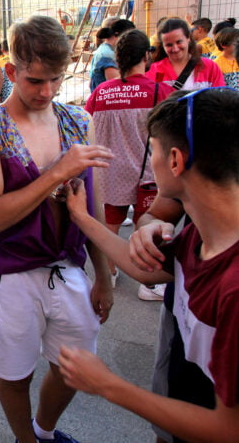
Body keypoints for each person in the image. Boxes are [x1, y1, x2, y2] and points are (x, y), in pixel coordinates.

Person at [58, 87, 239, 443]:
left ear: (175, 160)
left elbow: (228, 428)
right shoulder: (203, 234)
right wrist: (81, 218)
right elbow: (148, 268)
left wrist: (108, 385)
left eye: (151, 149)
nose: (149, 160)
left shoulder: (234, 287)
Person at [0, 15, 114, 443]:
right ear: (11, 72)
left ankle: (43, 431)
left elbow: (95, 207)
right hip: (10, 276)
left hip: (66, 267)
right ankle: (25, 440)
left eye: (56, 79)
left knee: (74, 366)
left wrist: (103, 276)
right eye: (34, 81)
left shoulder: (76, 121)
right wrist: (55, 174)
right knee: (14, 374)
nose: (46, 92)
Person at [85, 29, 174, 293]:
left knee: (110, 225)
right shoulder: (160, 91)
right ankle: (148, 283)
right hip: (146, 174)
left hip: (109, 173)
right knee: (147, 227)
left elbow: (87, 125)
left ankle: (108, 273)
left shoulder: (100, 92)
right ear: (147, 55)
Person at [147, 18, 225, 90]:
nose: (175, 49)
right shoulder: (154, 71)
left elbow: (220, 99)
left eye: (179, 42)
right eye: (169, 45)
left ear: (188, 39)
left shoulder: (210, 67)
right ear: (162, 45)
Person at [88, 19, 136, 90]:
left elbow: (90, 83)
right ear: (117, 35)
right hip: (105, 99)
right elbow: (117, 86)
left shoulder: (104, 49)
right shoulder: (107, 55)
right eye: (129, 39)